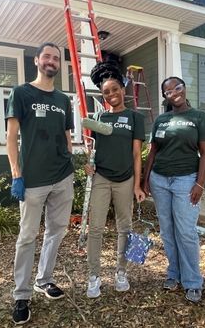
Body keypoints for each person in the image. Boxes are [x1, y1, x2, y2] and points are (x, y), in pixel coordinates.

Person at [6, 42, 75, 325]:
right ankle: (21, 295)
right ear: (37, 60)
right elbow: (11, 137)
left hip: (62, 176)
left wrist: (71, 160)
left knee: (56, 232)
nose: (51, 61)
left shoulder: (63, 100)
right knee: (27, 237)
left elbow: (68, 135)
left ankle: (44, 280)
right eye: (47, 56)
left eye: (56, 58)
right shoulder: (21, 93)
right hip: (32, 179)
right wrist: (16, 174)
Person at [142, 76, 205, 303]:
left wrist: (200, 183)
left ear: (184, 89)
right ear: (165, 96)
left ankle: (193, 281)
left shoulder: (200, 117)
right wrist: (145, 180)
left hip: (186, 180)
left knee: (186, 231)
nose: (175, 92)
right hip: (159, 180)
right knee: (167, 230)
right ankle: (174, 273)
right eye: (169, 91)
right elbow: (153, 152)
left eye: (178, 87)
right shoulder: (161, 120)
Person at [84, 62, 146, 298]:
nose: (111, 94)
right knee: (96, 228)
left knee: (125, 228)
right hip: (101, 177)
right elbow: (93, 150)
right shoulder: (98, 117)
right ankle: (94, 276)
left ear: (123, 88)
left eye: (114, 89)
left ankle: (121, 272)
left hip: (125, 180)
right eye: (106, 92)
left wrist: (137, 185)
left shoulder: (134, 117)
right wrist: (88, 164)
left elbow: (136, 155)